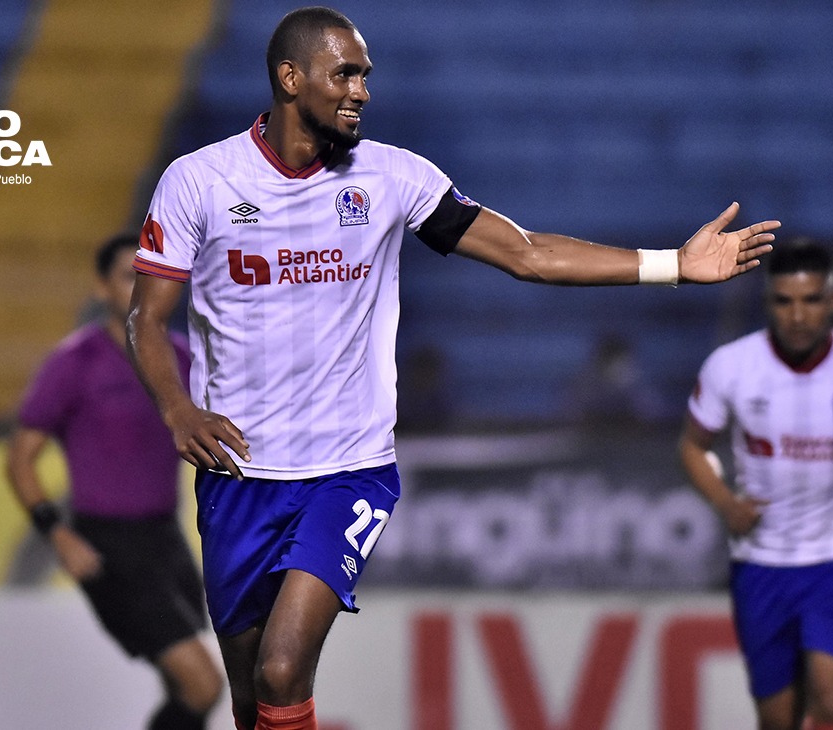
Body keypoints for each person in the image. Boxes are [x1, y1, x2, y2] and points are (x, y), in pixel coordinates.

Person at [125, 7, 780, 729]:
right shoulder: (201, 181)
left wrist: (673, 266)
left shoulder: (392, 177)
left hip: (347, 470)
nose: (361, 91)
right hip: (238, 479)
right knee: (252, 700)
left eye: (365, 76)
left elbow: (526, 253)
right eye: (345, 72)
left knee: (283, 672)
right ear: (290, 77)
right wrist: (177, 409)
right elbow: (146, 320)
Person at [677, 240, 833, 730]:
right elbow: (693, 447)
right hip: (762, 566)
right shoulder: (731, 367)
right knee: (778, 720)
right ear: (769, 304)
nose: (797, 315)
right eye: (784, 302)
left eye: (809, 300)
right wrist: (725, 502)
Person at [5, 234, 224, 730]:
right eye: (130, 275)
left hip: (164, 539)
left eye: (151, 274)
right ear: (101, 287)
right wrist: (59, 535)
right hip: (109, 544)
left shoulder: (181, 358)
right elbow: (21, 459)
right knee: (203, 684)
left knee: (182, 686)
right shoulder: (74, 363)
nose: (142, 286)